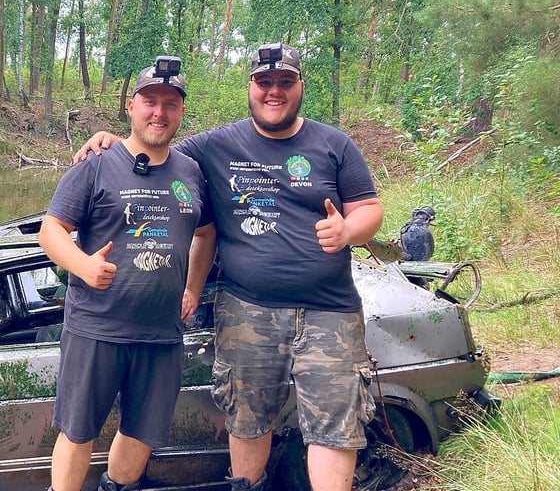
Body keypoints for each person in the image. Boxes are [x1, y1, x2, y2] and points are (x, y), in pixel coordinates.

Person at [75, 44, 384, 491]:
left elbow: (370, 210)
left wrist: (349, 231)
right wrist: (110, 142)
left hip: (329, 311)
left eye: (285, 82)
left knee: (334, 427)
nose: (273, 91)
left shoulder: (334, 144)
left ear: (300, 86)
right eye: (264, 82)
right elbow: (153, 149)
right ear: (251, 88)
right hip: (246, 309)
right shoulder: (215, 145)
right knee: (247, 419)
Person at [40, 57, 215, 491]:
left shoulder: (191, 171)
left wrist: (192, 287)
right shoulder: (96, 162)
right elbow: (51, 230)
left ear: (181, 113)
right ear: (131, 106)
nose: (159, 112)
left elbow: (206, 234)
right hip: (96, 326)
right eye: (150, 101)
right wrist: (83, 265)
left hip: (161, 332)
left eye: (170, 104)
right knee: (78, 431)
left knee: (142, 433)